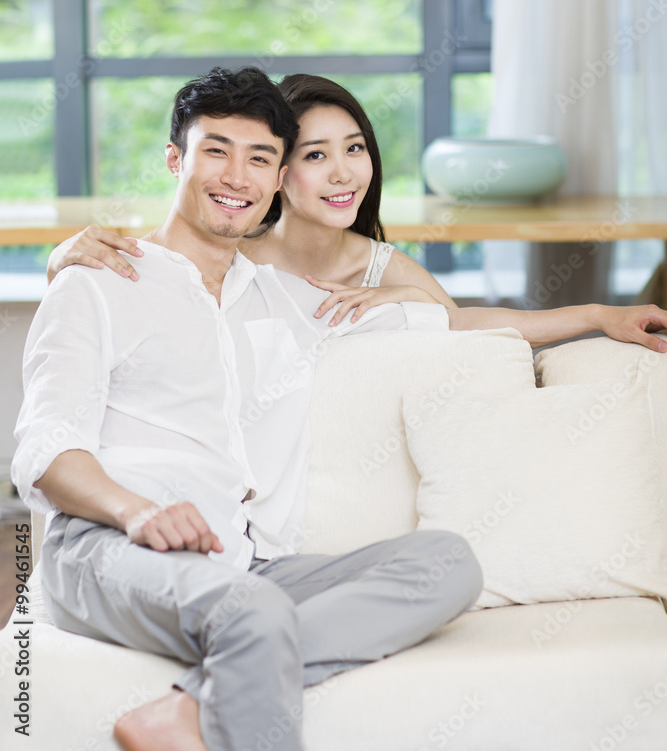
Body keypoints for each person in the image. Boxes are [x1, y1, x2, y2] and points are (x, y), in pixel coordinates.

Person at [12, 67, 483, 751]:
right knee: (252, 608)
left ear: (277, 178)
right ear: (175, 159)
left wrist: (597, 316)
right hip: (106, 547)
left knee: (447, 562)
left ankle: (191, 703)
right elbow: (45, 449)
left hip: (237, 563)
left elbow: (458, 324)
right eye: (216, 151)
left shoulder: (281, 298)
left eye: (259, 158)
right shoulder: (98, 281)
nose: (236, 176)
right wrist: (136, 511)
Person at [48, 73, 667, 353]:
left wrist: (596, 315)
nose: (344, 173)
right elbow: (146, 274)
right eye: (316, 155)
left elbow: (466, 328)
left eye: (355, 149)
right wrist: (60, 263)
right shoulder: (232, 249)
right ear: (278, 173)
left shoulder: (384, 268)